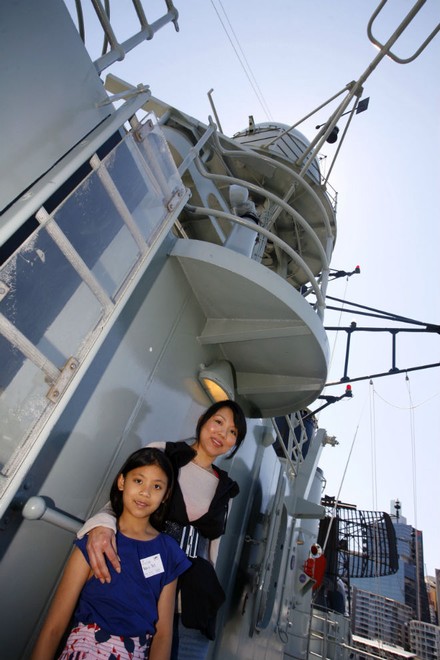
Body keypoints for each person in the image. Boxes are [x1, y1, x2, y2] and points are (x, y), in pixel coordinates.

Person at [77, 400, 247, 660]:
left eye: (233, 432)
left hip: (191, 604)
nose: (222, 434)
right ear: (204, 418)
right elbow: (118, 503)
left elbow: (212, 550)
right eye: (219, 422)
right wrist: (101, 526)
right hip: (141, 585)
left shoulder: (227, 488)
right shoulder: (163, 452)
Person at [31, 448, 191, 660]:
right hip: (85, 650)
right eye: (138, 481)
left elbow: (163, 634)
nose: (146, 492)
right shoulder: (95, 541)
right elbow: (54, 627)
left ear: (166, 495)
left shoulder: (169, 551)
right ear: (122, 482)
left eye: (157, 486)